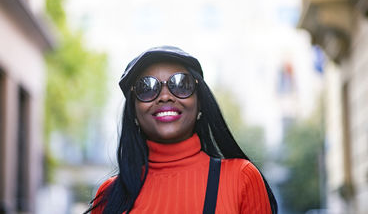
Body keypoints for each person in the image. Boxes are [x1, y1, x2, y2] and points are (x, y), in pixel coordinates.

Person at [86, 46, 277, 214]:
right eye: (147, 88)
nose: (165, 96)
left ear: (200, 103)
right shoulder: (111, 194)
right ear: (133, 112)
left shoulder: (241, 178)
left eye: (181, 84)